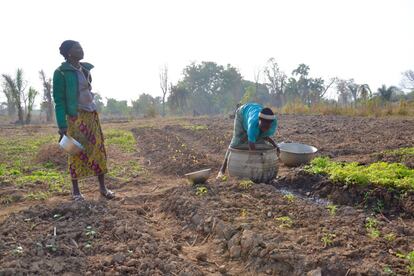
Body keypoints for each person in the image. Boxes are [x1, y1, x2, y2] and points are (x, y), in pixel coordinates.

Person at [53, 40, 114, 201]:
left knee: (98, 149)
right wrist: (62, 125)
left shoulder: (85, 69)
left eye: (81, 47)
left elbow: (88, 89)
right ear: (69, 52)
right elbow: (59, 101)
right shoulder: (60, 73)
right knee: (75, 151)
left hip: (91, 114)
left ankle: (102, 188)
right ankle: (76, 192)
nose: (81, 50)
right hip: (75, 116)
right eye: (77, 48)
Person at [217, 102, 278, 179]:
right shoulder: (253, 124)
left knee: (261, 143)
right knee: (236, 142)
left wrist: (275, 146)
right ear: (259, 120)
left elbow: (263, 136)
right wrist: (256, 163)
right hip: (242, 113)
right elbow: (251, 145)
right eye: (263, 126)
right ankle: (222, 170)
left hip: (253, 110)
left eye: (267, 127)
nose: (265, 128)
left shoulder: (273, 123)